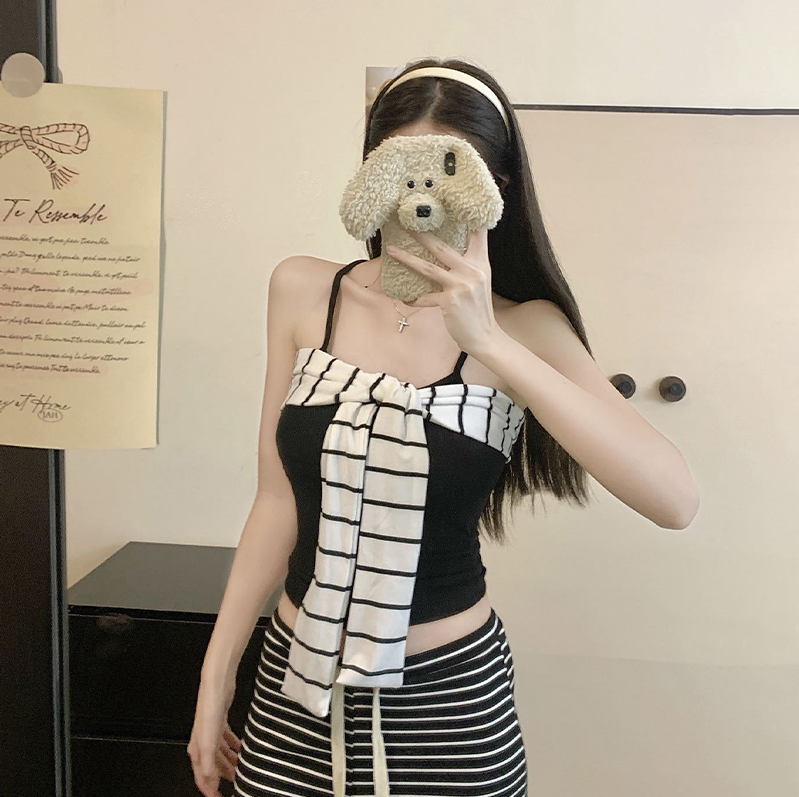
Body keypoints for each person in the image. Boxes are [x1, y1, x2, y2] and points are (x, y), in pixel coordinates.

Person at [188, 58, 700, 797]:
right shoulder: (302, 290)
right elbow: (277, 501)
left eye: (449, 172)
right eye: (398, 168)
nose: (419, 198)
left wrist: (488, 340)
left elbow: (675, 500)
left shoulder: (527, 328)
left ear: (495, 190)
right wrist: (216, 679)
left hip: (451, 705)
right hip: (292, 687)